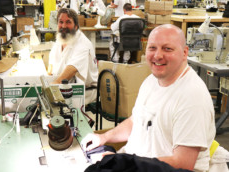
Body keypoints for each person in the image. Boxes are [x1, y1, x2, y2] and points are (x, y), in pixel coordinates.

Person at [82, 24, 217, 171]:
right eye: (152, 48)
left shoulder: (192, 98)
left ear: (185, 52)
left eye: (167, 49)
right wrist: (104, 138)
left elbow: (183, 164)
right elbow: (136, 121)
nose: (158, 55)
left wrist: (124, 163)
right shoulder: (151, 80)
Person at [48, 8, 98, 105]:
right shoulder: (60, 40)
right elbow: (51, 65)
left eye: (68, 22)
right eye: (61, 22)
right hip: (65, 86)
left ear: (76, 26)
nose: (63, 26)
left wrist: (51, 87)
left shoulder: (83, 44)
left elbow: (72, 68)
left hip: (85, 91)